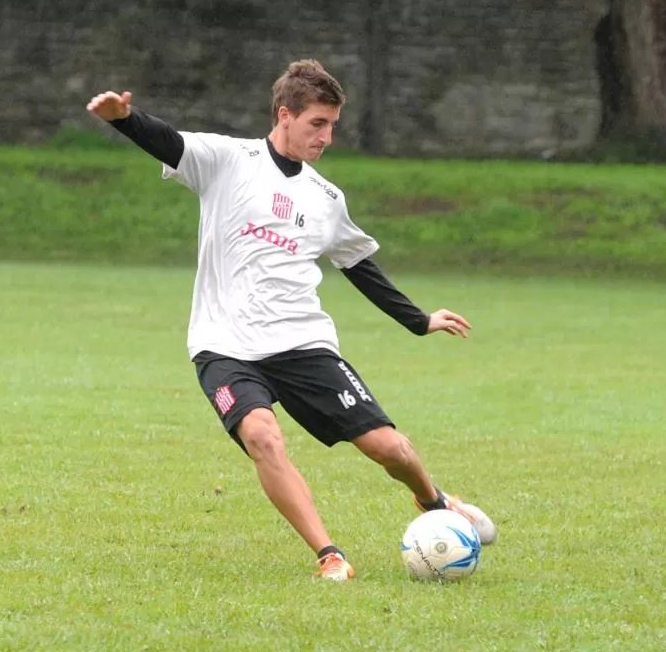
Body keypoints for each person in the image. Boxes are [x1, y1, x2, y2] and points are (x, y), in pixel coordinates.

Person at [86, 59, 496, 582]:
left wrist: (418, 320)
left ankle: (432, 499)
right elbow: (168, 142)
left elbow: (358, 264)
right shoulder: (228, 160)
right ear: (285, 114)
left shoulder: (325, 198)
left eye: (332, 126)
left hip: (302, 342)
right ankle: (330, 554)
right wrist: (124, 118)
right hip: (224, 345)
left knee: (386, 447)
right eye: (317, 124)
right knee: (262, 437)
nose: (326, 137)